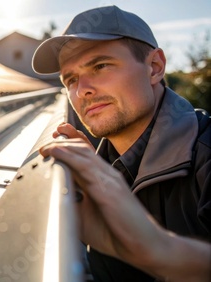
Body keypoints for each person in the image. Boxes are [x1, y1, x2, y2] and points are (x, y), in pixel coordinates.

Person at [32, 5, 211, 282]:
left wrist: (161, 250)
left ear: (154, 68)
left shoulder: (206, 154)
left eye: (100, 66)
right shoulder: (96, 173)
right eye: (71, 79)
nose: (82, 90)